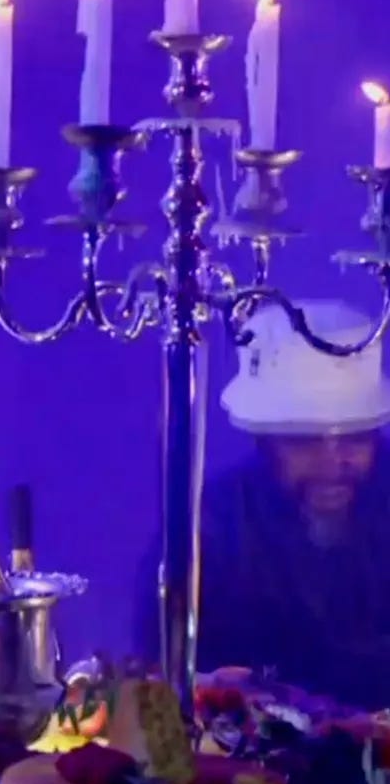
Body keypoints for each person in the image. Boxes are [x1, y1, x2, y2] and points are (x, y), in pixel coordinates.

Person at [134, 299, 390, 706]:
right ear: (264, 442)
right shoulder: (209, 535)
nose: (333, 463)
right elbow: (157, 684)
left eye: (355, 439)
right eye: (305, 442)